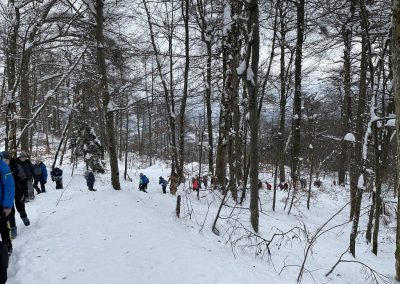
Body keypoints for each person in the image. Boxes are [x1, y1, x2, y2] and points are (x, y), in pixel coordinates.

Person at [7, 152, 31, 239]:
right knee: (10, 211)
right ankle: (13, 227)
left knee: (20, 206)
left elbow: (23, 180)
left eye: (7, 160)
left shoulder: (16, 166)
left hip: (18, 191)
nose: (5, 161)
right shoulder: (1, 168)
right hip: (7, 194)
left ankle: (24, 216)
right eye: (3, 160)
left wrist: (25, 192)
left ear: (9, 159)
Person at [0, 151, 15, 256]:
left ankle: (7, 246)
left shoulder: (3, 166)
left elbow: (9, 186)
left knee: (3, 228)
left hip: (1, 205)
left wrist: (7, 206)